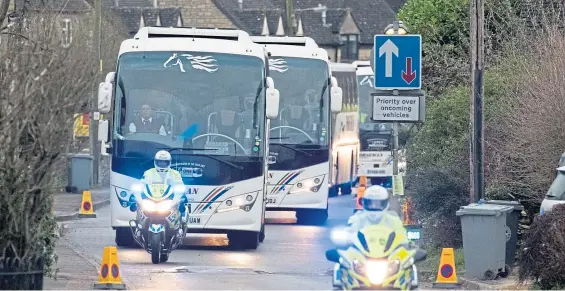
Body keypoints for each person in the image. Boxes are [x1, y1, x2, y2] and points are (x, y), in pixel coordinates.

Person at [331, 185, 419, 289]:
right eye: (371, 203)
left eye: (378, 203)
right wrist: (343, 241)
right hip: (364, 256)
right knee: (342, 264)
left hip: (386, 256)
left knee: (408, 267)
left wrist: (409, 245)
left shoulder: (393, 220)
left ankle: (409, 284)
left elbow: (402, 236)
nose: (374, 206)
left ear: (385, 203)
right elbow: (350, 232)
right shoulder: (357, 218)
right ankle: (341, 284)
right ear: (364, 202)